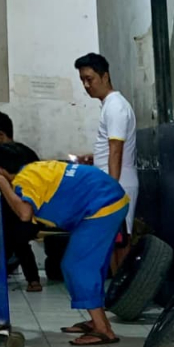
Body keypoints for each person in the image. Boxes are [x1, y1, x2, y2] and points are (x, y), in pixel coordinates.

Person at [0, 143, 128, 346]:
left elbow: (24, 213)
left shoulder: (23, 180)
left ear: (0, 170)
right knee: (90, 266)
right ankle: (97, 321)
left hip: (102, 206)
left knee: (76, 266)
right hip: (108, 198)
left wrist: (0, 182)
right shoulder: (33, 169)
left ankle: (103, 330)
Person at [73, 53, 138, 244]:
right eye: (82, 80)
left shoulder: (115, 107)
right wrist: (95, 158)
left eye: (89, 79)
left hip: (118, 183)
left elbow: (116, 150)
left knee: (119, 241)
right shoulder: (109, 105)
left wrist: (111, 189)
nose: (86, 85)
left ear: (105, 76)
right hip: (114, 180)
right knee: (110, 241)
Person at [0, 111, 42, 292]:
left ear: (1, 134)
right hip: (34, 212)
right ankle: (33, 280)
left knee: (5, 240)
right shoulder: (29, 152)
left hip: (14, 214)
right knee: (19, 242)